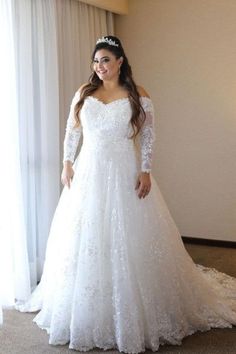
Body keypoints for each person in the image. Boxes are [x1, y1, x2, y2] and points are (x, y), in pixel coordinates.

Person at [16, 35, 236, 353]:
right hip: (87, 171)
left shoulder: (137, 94)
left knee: (128, 236)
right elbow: (71, 130)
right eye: (96, 60)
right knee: (86, 236)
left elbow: (148, 135)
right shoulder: (84, 92)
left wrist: (145, 170)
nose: (100, 66)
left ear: (120, 61)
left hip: (124, 170)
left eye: (106, 59)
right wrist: (66, 163)